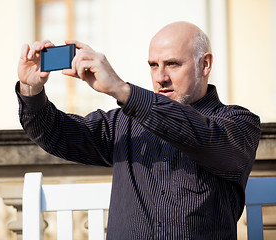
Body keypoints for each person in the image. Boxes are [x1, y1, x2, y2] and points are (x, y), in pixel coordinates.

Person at [16, 21, 261, 239]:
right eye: (154, 65)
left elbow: (203, 136)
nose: (160, 77)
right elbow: (54, 133)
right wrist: (31, 90)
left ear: (205, 64)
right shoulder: (123, 123)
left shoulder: (238, 123)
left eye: (172, 64)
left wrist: (122, 90)